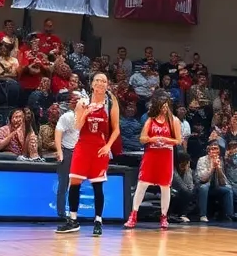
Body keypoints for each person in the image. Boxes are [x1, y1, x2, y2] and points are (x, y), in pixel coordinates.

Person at [56, 74, 120, 236]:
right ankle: (73, 220)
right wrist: (86, 112)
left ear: (107, 85)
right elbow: (77, 126)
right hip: (83, 147)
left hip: (99, 149)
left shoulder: (110, 103)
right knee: (74, 182)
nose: (100, 83)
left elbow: (116, 129)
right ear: (92, 84)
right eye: (97, 80)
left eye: (104, 81)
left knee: (97, 186)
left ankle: (98, 220)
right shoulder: (83, 102)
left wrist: (108, 146)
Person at [125, 93, 182, 230]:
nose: (164, 109)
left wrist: (167, 140)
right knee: (142, 184)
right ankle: (133, 214)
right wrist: (153, 139)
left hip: (166, 155)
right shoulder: (150, 120)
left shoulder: (173, 120)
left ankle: (163, 217)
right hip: (151, 154)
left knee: (165, 186)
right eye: (162, 106)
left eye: (166, 106)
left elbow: (178, 140)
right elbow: (142, 138)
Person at [54, 95, 81, 219]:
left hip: (79, 153)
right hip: (67, 152)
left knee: (76, 184)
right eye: (74, 101)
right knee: (63, 184)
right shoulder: (67, 117)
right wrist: (59, 151)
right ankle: (61, 213)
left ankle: (73, 212)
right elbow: (58, 133)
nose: (77, 103)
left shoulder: (84, 117)